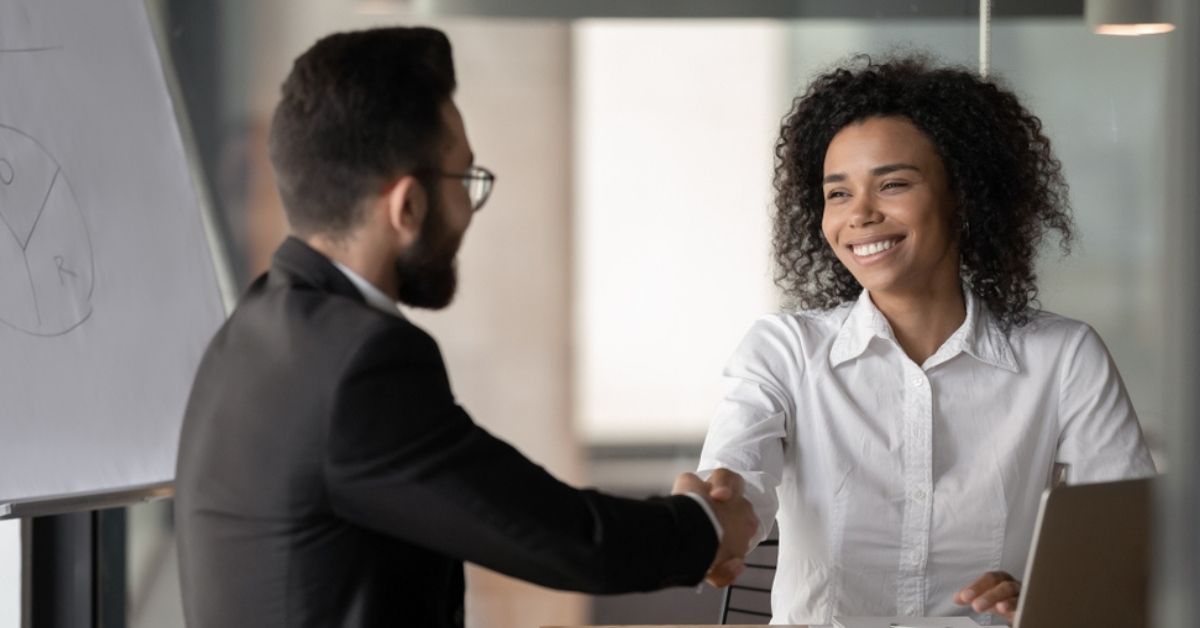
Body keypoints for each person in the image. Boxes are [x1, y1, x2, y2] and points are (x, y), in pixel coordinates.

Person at [174, 27, 757, 628]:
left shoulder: (252, 328)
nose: (469, 211)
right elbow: (558, 535)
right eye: (465, 180)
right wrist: (704, 527)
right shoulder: (360, 363)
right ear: (407, 206)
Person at [696, 54, 1156, 625]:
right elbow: (739, 481)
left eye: (892, 184)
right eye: (837, 193)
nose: (859, 214)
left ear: (964, 196)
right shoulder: (784, 351)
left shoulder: (1063, 357)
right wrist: (717, 519)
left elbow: (1124, 549)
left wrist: (1041, 595)